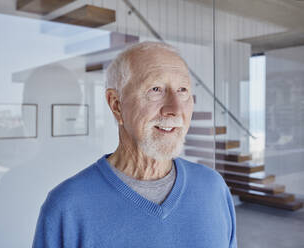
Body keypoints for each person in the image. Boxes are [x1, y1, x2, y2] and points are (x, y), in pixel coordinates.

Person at [32, 41, 237, 248]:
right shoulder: (67, 207)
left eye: (183, 90)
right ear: (116, 105)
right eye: (155, 89)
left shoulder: (213, 188)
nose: (174, 108)